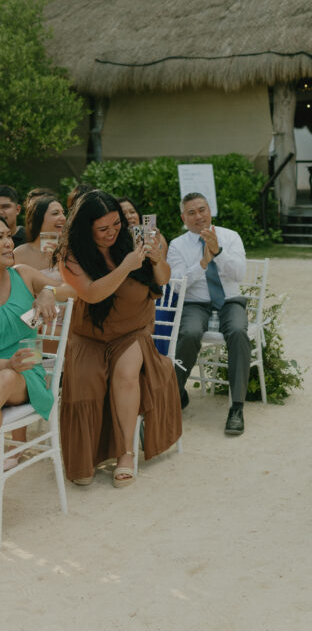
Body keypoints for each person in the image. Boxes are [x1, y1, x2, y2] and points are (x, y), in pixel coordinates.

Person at [57, 190, 182, 487]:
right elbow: (91, 293)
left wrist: (156, 259)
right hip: (88, 336)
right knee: (85, 381)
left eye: (116, 224)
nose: (112, 232)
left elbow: (163, 279)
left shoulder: (133, 239)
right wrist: (127, 265)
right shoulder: (70, 255)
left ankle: (125, 453)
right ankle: (86, 457)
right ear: (85, 228)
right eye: (103, 228)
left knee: (126, 375)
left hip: (133, 330)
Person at [167, 193, 249, 436]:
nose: (198, 216)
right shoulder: (177, 245)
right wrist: (202, 263)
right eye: (191, 213)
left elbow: (239, 275)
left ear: (210, 210)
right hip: (196, 303)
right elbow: (177, 286)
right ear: (184, 218)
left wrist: (218, 252)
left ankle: (236, 407)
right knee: (189, 332)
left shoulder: (230, 237)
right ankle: (175, 393)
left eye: (201, 210)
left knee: (237, 332)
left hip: (229, 301)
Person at [0, 217, 65, 469]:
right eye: (0, 238)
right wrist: (7, 363)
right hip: (4, 367)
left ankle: (15, 446)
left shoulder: (23, 275)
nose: (8, 243)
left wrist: (49, 291)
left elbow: (70, 288)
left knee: (5, 378)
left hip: (28, 370)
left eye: (8, 235)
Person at [13, 194, 67, 278]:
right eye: (55, 213)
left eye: (63, 213)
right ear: (38, 219)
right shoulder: (19, 254)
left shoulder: (69, 251)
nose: (63, 218)